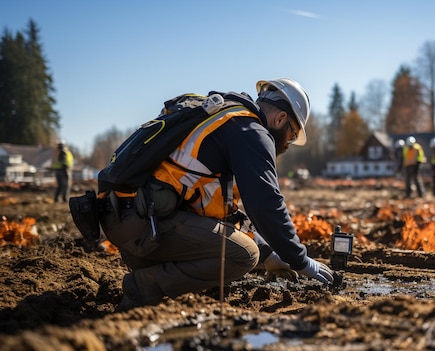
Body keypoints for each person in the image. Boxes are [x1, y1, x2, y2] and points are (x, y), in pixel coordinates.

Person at [99, 78, 334, 310]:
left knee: (240, 249)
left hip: (126, 219)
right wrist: (300, 260)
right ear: (281, 118)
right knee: (243, 255)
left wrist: (270, 254)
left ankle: (151, 272)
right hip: (143, 227)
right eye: (292, 136)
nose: (287, 145)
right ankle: (145, 287)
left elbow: (224, 212)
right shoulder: (252, 132)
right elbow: (265, 204)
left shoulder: (226, 119)